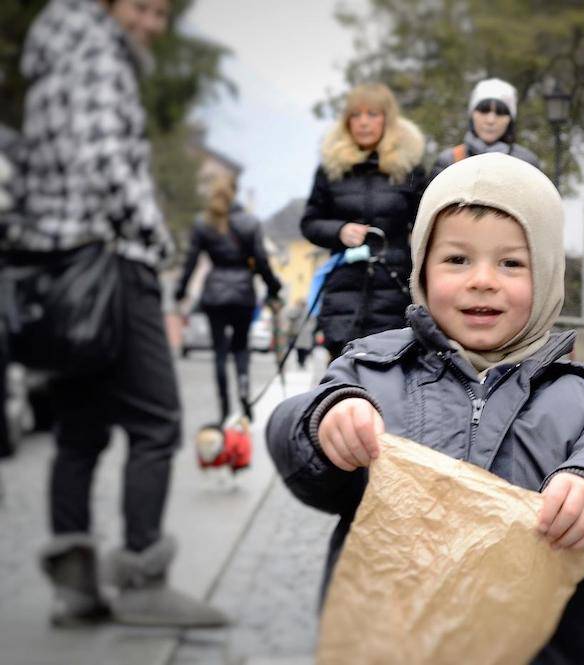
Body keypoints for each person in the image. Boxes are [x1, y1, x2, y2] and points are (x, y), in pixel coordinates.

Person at [267, 153, 584, 663]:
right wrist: (324, 423)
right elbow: (297, 446)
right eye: (457, 260)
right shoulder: (371, 371)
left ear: (547, 274)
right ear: (422, 268)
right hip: (387, 641)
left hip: (529, 648)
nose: (482, 280)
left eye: (511, 263)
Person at [19, 0, 226, 627]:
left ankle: (77, 591)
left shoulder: (51, 61)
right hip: (112, 264)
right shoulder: (99, 57)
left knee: (78, 430)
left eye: (161, 14)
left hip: (62, 269)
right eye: (141, 8)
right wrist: (156, 237)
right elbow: (108, 164)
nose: (152, 25)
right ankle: (142, 582)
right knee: (157, 422)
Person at [300, 82, 425, 359]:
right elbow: (309, 223)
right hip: (343, 287)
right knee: (342, 372)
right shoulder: (330, 170)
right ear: (346, 121)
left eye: (372, 114)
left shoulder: (409, 168)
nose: (363, 122)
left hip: (395, 287)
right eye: (355, 115)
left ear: (387, 119)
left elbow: (426, 224)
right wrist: (339, 231)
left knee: (392, 369)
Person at [174, 173, 282, 423]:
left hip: (214, 294)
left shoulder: (204, 223)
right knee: (241, 348)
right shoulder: (250, 223)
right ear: (235, 191)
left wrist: (180, 290)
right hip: (243, 293)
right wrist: (273, 287)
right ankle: (244, 393)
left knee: (220, 352)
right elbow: (262, 261)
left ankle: (223, 409)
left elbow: (191, 261)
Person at [428, 77, 540, 181]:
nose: (490, 120)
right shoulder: (449, 161)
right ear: (472, 115)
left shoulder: (526, 164)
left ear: (510, 119)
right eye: (484, 111)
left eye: (500, 113)